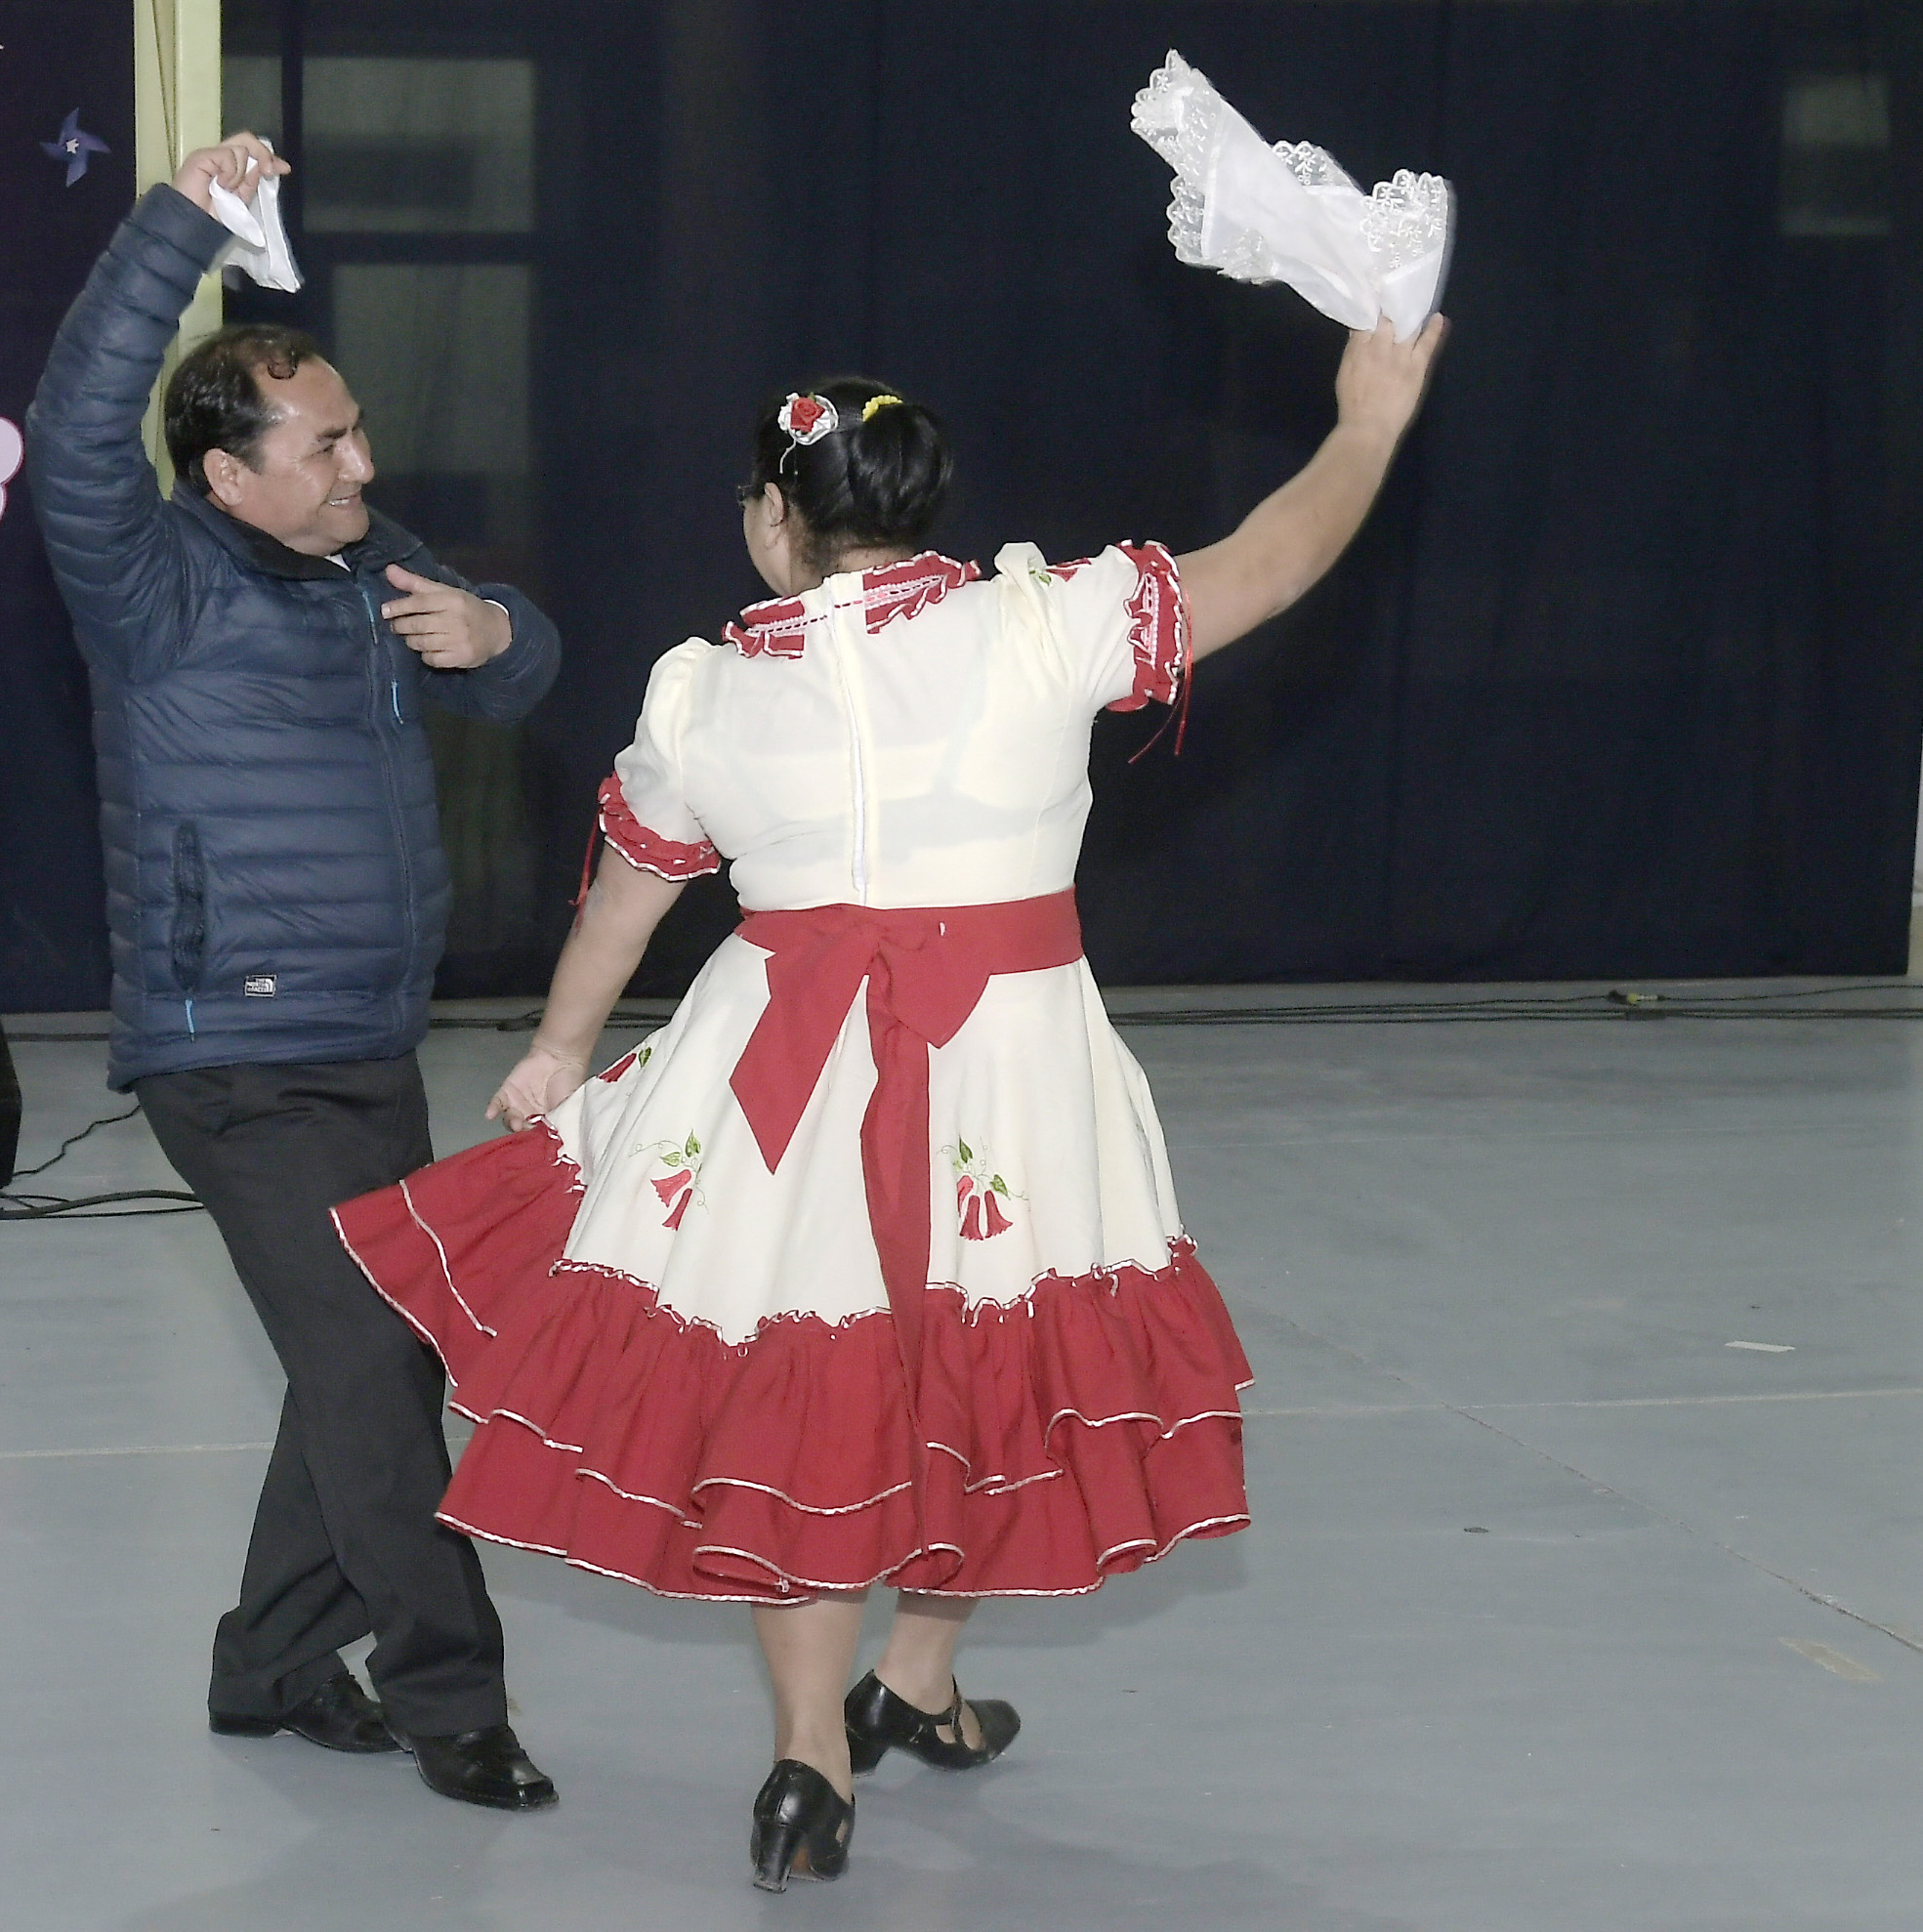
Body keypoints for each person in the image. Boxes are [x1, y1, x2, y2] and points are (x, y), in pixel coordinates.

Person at [335, 320, 1445, 1881]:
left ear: (776, 519)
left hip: (779, 1087)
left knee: (816, 1388)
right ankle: (910, 1677)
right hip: (1010, 1077)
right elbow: (1272, 560)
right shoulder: (1047, 622)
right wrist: (1369, 422)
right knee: (983, 1362)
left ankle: (824, 1746)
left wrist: (559, 1054)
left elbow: (625, 902)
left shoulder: (705, 693)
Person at [25, 132, 564, 1811]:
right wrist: (181, 221)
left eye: (357, 432)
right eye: (325, 444)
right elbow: (71, 423)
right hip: (236, 1062)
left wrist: (500, 631)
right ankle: (450, 1692)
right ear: (223, 472)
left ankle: (268, 1661)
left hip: (369, 1043)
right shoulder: (148, 585)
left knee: (375, 1357)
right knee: (376, 1371)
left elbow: (517, 673)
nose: (362, 463)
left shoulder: (367, 561)